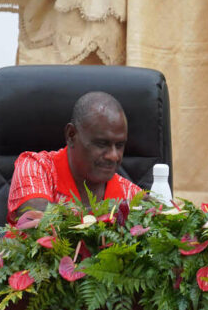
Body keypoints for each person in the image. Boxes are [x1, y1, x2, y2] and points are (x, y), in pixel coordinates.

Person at [8, 91, 141, 224]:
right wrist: (120, 211)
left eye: (119, 145)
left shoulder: (131, 194)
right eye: (101, 144)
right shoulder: (36, 167)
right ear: (71, 135)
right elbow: (35, 218)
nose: (113, 156)